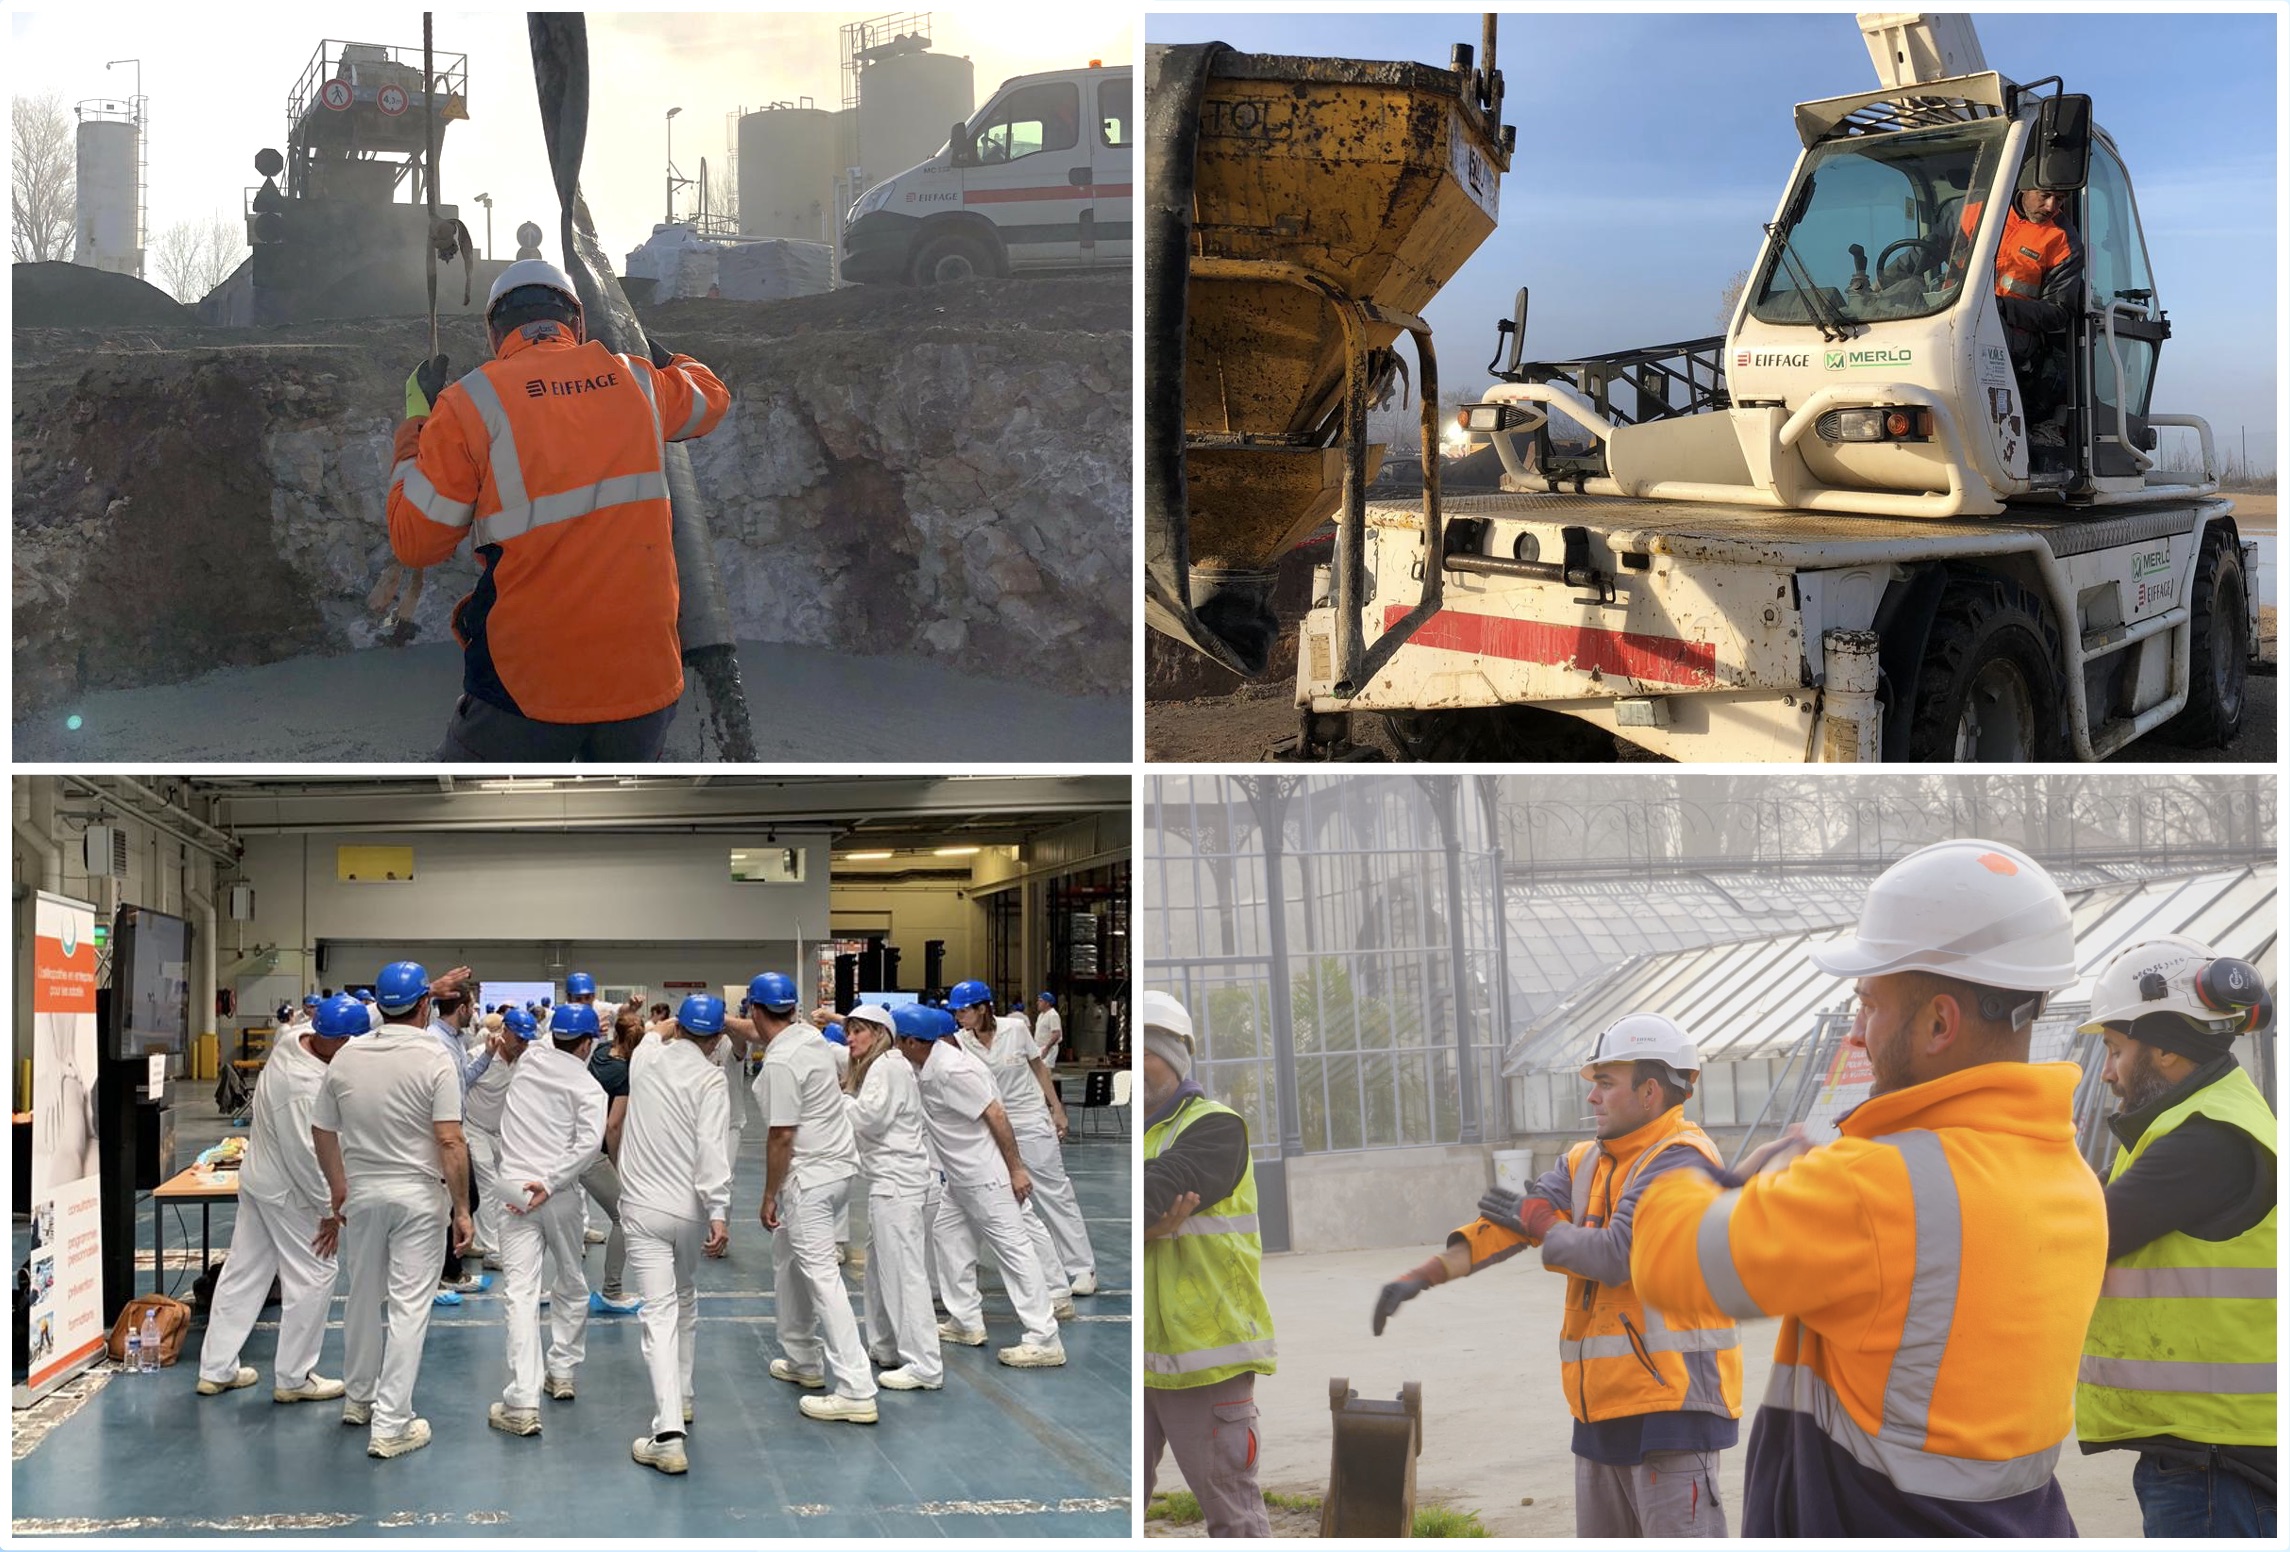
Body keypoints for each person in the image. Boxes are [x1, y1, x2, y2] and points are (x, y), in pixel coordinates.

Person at [1629, 839, 2108, 1536]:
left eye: (1870, 1006)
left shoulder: (1874, 1186)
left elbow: (1667, 1262)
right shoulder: (2071, 1179)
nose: (1856, 1034)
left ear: (1940, 1022)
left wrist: (1683, 1162)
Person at [1373, 1013, 1739, 1537]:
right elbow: (1510, 1223)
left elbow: (1617, 1254)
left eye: (1605, 1084)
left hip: (1673, 1412)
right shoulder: (1586, 1161)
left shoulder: (1683, 1163)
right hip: (1600, 1410)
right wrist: (1423, 1275)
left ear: (1650, 1091)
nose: (1591, 1097)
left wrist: (1540, 1221)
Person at [385, 257, 732, 761]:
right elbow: (712, 398)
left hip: (526, 692)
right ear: (578, 322)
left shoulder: (467, 405)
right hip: (643, 688)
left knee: (479, 819)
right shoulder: (638, 383)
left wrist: (419, 423)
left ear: (494, 333)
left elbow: (416, 541)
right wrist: (661, 356)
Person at [2074, 936, 2276, 1539]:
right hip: (2211, 1453)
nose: (2107, 1072)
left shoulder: (2206, 1139)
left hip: (2220, 1463)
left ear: (2163, 1049)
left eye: (2114, 1049)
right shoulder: (2193, 1126)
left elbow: (2081, 1238)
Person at [310, 961, 473, 1459]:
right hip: (419, 1199)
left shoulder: (348, 1058)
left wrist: (338, 1187)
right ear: (426, 1006)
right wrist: (462, 1209)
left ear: (378, 1006)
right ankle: (393, 1423)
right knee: (408, 1307)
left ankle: (359, 1399)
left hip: (363, 1195)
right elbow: (449, 1139)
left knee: (362, 1296)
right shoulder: (435, 1060)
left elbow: (322, 1128)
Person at [1140, 990, 1275, 1539]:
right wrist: (1147, 1224)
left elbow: (1157, 1189)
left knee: (1233, 1517)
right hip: (1141, 1359)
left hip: (1205, 1358)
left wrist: (1146, 1216)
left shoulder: (1216, 1128)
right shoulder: (1144, 1134)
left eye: (1146, 1053)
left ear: (1174, 1057)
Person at [195, 993, 363, 1404]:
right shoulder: (302, 1090)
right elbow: (308, 1159)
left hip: (257, 1182)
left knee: (244, 1273)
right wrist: (331, 1212)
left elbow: (355, 1019)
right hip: (289, 1192)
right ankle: (294, 1377)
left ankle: (216, 1370)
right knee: (316, 1272)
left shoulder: (293, 1039)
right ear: (339, 1042)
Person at [891, 1004, 1065, 1368]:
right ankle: (965, 1321)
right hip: (961, 1178)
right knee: (948, 1237)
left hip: (987, 1177)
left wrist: (1016, 1170)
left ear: (912, 1041)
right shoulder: (931, 1061)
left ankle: (1044, 1338)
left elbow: (996, 1114)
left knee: (1014, 1252)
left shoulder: (952, 1070)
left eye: (897, 1040)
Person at [736, 974, 877, 1423]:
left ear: (756, 1010)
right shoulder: (810, 1038)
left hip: (808, 1178)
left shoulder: (779, 1063)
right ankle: (802, 1359)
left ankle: (855, 1388)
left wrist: (768, 1195)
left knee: (820, 1276)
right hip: (837, 1172)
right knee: (789, 1261)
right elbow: (752, 1031)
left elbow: (780, 1137)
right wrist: (722, 1022)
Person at [618, 994, 733, 1474]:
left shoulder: (646, 1058)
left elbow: (650, 1032)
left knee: (658, 1315)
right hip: (688, 1211)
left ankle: (668, 1431)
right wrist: (719, 1210)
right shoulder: (713, 1078)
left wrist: (666, 1023)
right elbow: (712, 1146)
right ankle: (683, 1395)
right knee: (685, 1301)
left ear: (681, 1028)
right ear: (716, 1040)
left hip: (643, 1208)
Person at [487, 1006, 607, 1438]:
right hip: (558, 1195)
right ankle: (562, 1372)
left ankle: (521, 1401)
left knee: (519, 1293)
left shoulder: (532, 1057)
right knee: (572, 1280)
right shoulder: (591, 1089)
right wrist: (553, 1181)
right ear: (589, 1042)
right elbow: (588, 1146)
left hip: (514, 1191)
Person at [949, 980, 1090, 1304]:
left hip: (1029, 1120)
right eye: (956, 1011)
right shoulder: (959, 1040)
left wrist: (1056, 1109)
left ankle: (1082, 1268)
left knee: (1055, 1192)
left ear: (983, 1008)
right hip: (993, 1127)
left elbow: (1038, 1068)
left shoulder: (1015, 1030)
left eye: (964, 1010)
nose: (959, 1016)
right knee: (1010, 1201)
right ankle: (1043, 1275)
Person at [841, 1004, 941, 1391]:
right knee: (881, 1270)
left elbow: (868, 1118)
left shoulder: (886, 1067)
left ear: (878, 1033)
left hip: (898, 1182)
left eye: (857, 1031)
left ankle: (926, 1365)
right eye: (848, 1032)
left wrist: (837, 1101)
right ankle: (885, 1345)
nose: (850, 1039)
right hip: (889, 1182)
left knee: (904, 1273)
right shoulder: (887, 1067)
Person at [1957, 161, 2083, 446]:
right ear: (2024, 185)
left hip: (2016, 333)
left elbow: (2059, 311)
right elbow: (1928, 250)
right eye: (2045, 195)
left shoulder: (2063, 240)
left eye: (2060, 200)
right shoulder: (1976, 213)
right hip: (1953, 318)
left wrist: (2001, 308)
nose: (2051, 206)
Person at [424, 977, 494, 1305]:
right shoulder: (435, 1041)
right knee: (451, 1206)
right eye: (473, 1006)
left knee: (466, 1201)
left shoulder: (454, 1040)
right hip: (443, 1136)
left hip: (456, 1131)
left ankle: (449, 1269)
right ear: (462, 1007)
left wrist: (487, 1058)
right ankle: (442, 1274)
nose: (475, 1013)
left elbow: (462, 1082)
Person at [580, 1004, 642, 1314]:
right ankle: (612, 1291)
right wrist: (617, 1166)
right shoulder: (625, 1072)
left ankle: (542, 1287)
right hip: (592, 1154)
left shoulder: (601, 1052)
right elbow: (613, 1126)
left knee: (557, 1222)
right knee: (623, 1215)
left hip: (566, 1146)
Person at [1033, 993, 1064, 1069]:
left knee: (1046, 1070)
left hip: (1049, 1049)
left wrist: (1047, 1048)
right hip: (1039, 1048)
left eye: (1040, 1001)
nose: (1038, 1003)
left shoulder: (1053, 1015)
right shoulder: (1041, 1015)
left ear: (1047, 1003)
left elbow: (1056, 1034)